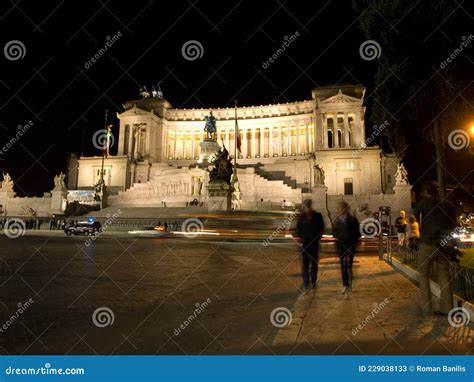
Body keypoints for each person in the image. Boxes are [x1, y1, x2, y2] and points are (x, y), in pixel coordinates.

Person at [414, 181, 456, 315]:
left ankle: (427, 306)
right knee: (444, 274)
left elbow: (414, 214)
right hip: (444, 244)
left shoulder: (424, 203)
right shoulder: (449, 205)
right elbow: (453, 223)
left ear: (426, 192)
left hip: (427, 242)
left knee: (424, 273)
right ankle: (447, 308)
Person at [296, 199, 325, 292]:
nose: (307, 207)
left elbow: (322, 228)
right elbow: (298, 230)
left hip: (314, 243)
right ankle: (306, 283)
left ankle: (313, 281)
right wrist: (303, 237)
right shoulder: (301, 217)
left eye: (308, 205)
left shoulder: (317, 216)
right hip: (305, 244)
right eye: (306, 205)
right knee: (305, 264)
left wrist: (317, 238)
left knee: (314, 263)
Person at [333, 201, 360, 294]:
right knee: (343, 265)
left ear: (345, 209)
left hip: (350, 245)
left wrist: (352, 239)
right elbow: (334, 232)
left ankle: (349, 282)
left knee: (348, 265)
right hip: (340, 245)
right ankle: (345, 284)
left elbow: (357, 233)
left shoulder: (353, 220)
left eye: (340, 208)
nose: (338, 210)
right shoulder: (336, 220)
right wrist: (339, 238)